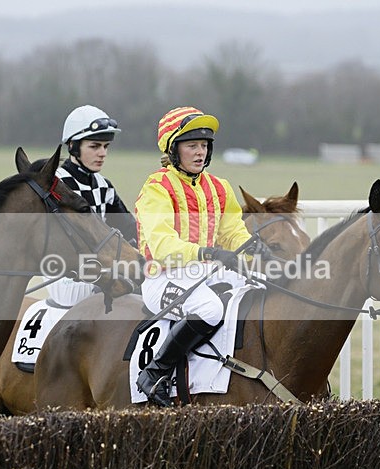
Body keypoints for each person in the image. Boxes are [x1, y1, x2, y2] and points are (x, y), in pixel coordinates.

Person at [134, 106, 269, 407]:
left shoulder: (219, 187)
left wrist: (252, 248)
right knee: (209, 309)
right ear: (173, 149)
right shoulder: (157, 187)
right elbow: (162, 244)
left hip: (207, 273)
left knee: (263, 287)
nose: (200, 152)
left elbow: (232, 232)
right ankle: (154, 373)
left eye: (204, 145)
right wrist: (207, 252)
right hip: (163, 277)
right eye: (192, 145)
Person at [44, 105, 137, 308]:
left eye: (105, 146)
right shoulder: (54, 185)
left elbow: (131, 230)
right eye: (94, 147)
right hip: (64, 277)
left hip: (99, 269)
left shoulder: (104, 186)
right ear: (73, 146)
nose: (102, 153)